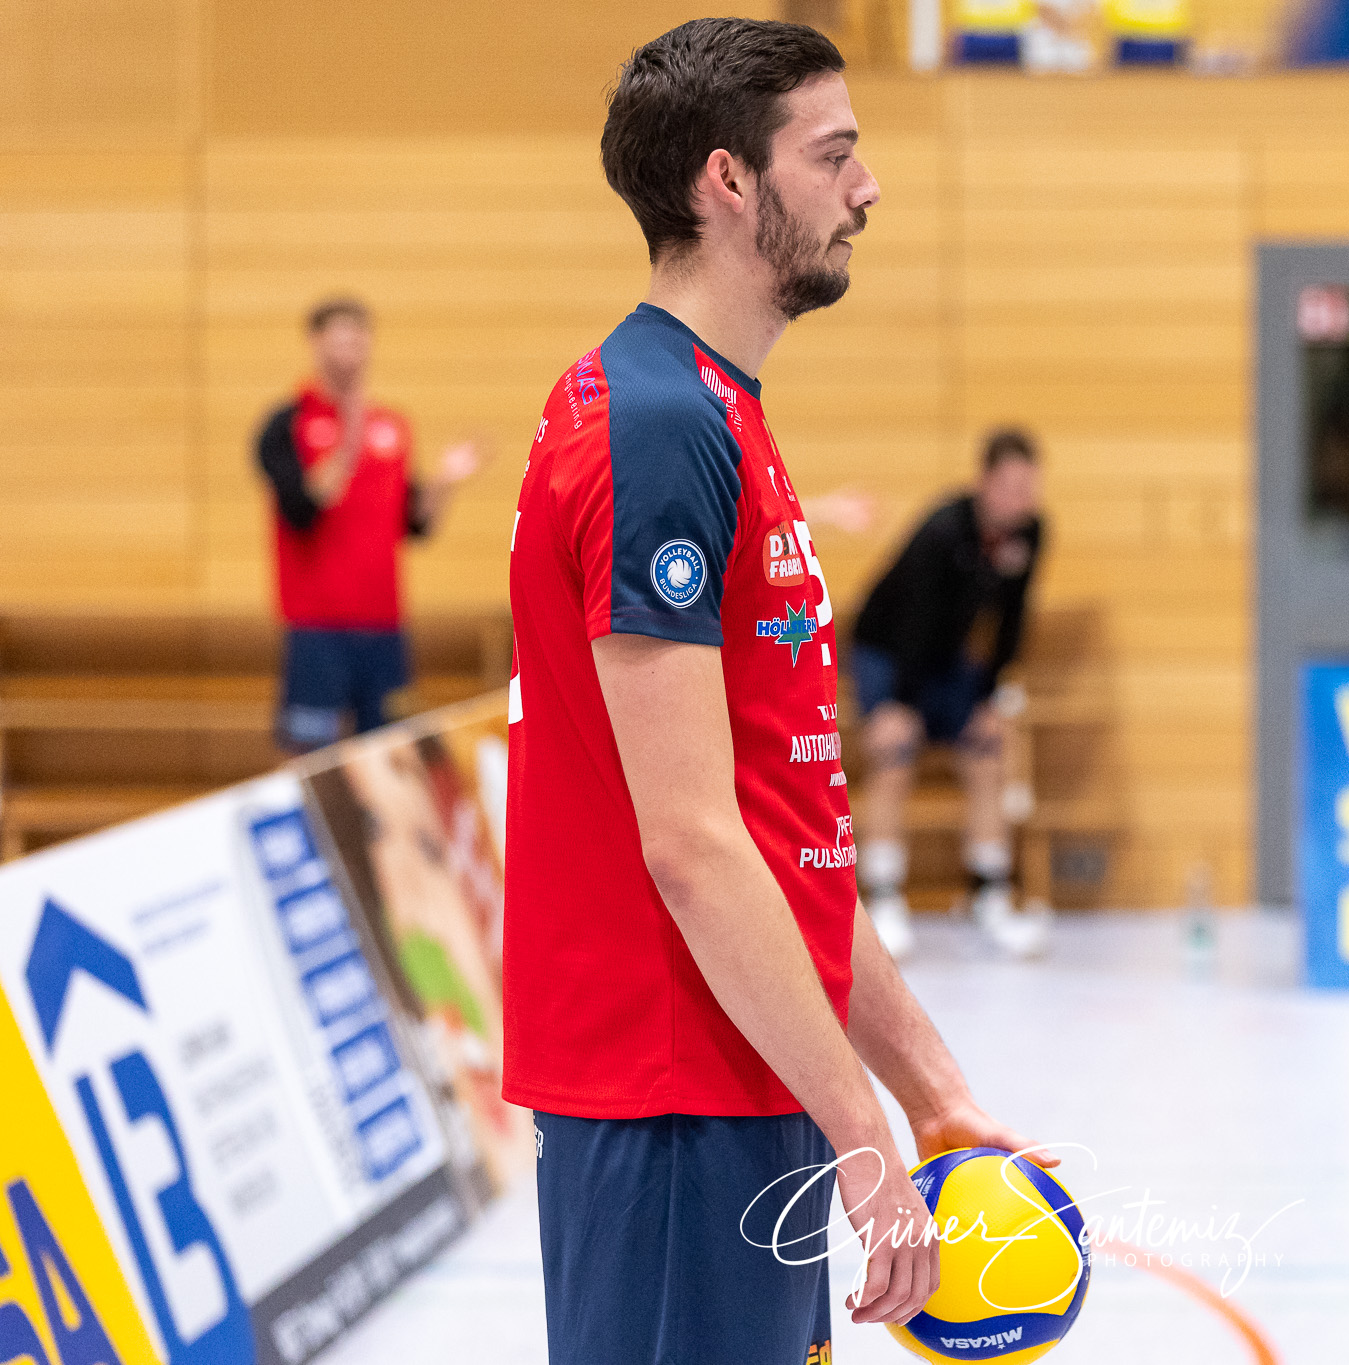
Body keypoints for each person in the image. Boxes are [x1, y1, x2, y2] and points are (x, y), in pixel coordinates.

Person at [499, 20, 1056, 1365]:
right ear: (729, 181)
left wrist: (929, 1095)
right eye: (835, 154)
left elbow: (781, 835)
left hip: (746, 1067)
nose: (868, 187)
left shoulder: (713, 410)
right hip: (671, 1094)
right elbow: (693, 845)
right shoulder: (655, 425)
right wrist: (863, 1133)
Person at [851, 429, 1049, 960]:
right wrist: (898, 704)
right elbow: (914, 622)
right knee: (894, 753)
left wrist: (989, 698)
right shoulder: (943, 530)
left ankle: (989, 895)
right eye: (1010, 488)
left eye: (1029, 488)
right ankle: (884, 898)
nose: (1021, 500)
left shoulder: (1030, 533)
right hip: (888, 652)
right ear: (985, 483)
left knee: (989, 750)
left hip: (947, 660)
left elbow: (1012, 620)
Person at [254, 298, 482, 753]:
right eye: (339, 338)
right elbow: (301, 508)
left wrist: (445, 481)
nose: (350, 350)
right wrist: (350, 434)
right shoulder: (286, 424)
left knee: (391, 752)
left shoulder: (393, 426)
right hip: (317, 628)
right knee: (311, 757)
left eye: (358, 339)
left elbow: (412, 524)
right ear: (315, 343)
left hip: (384, 625)